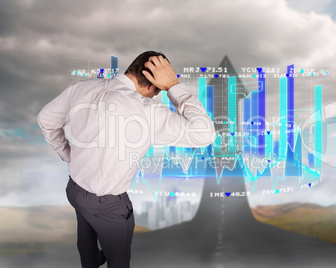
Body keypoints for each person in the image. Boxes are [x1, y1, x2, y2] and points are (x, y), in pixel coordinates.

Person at [37, 51, 216, 268]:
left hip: (74, 189)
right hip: (108, 206)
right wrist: (174, 86)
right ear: (152, 85)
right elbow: (205, 134)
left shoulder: (83, 88)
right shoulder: (146, 111)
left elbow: (45, 118)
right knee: (118, 259)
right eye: (157, 92)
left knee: (86, 241)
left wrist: (67, 153)